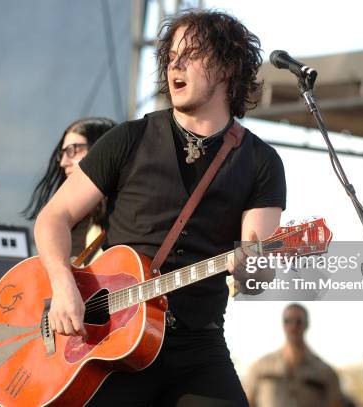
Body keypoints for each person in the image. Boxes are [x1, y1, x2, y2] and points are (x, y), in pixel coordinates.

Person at [34, 9, 286, 406]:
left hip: (197, 345)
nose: (175, 66)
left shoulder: (260, 162)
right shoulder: (128, 139)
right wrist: (63, 284)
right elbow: (54, 217)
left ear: (226, 67)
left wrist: (252, 268)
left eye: (190, 55)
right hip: (109, 338)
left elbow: (258, 276)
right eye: (171, 57)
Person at [22, 117, 116, 261]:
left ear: (100, 150)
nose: (64, 162)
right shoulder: (68, 224)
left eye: (72, 150)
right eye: (63, 153)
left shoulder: (123, 217)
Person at [243, 303, 344, 407]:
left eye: (298, 321)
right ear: (283, 324)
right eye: (288, 321)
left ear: (306, 324)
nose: (293, 326)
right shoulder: (260, 367)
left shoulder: (326, 373)